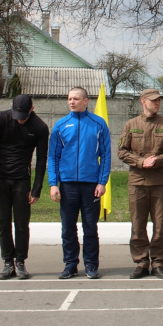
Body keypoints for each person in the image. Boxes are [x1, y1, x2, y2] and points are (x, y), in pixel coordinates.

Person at [48, 87, 111, 280]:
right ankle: (70, 264)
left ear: (86, 101)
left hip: (91, 185)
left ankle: (91, 264)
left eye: (76, 98)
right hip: (67, 184)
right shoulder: (61, 125)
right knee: (68, 226)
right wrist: (53, 183)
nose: (72, 102)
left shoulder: (98, 124)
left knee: (90, 227)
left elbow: (106, 155)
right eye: (69, 99)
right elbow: (53, 157)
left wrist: (102, 182)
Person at [0, 94, 49, 280]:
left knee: (21, 224)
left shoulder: (40, 127)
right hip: (0, 180)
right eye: (16, 114)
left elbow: (42, 159)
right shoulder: (0, 119)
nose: (19, 118)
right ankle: (7, 262)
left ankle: (20, 262)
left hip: (22, 181)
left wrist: (37, 188)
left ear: (32, 109)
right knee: (3, 222)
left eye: (23, 115)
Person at [118, 88, 163, 279]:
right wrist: (140, 162)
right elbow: (122, 151)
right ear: (143, 101)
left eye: (159, 100)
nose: (157, 103)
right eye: (153, 100)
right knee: (138, 225)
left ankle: (158, 262)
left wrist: (157, 160)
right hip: (137, 182)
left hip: (160, 182)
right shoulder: (131, 125)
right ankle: (141, 262)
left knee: (160, 225)